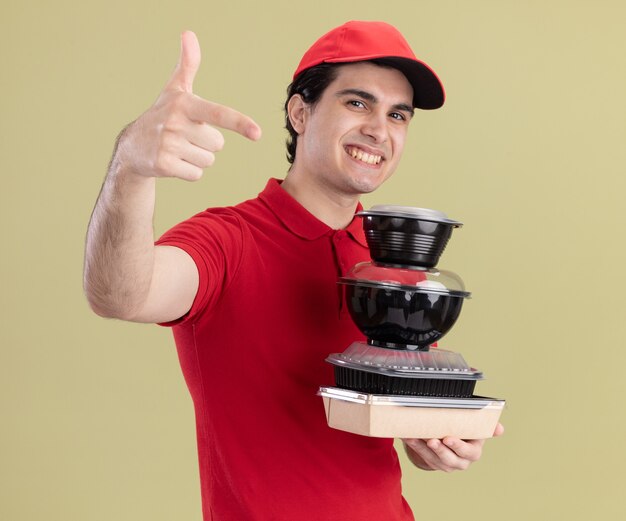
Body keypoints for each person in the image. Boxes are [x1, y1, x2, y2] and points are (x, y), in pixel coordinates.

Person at [84, 20, 503, 521]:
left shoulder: (391, 266)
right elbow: (120, 294)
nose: (379, 129)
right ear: (300, 111)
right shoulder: (227, 240)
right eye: (357, 103)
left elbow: (406, 419)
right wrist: (131, 165)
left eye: (398, 114)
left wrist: (439, 442)